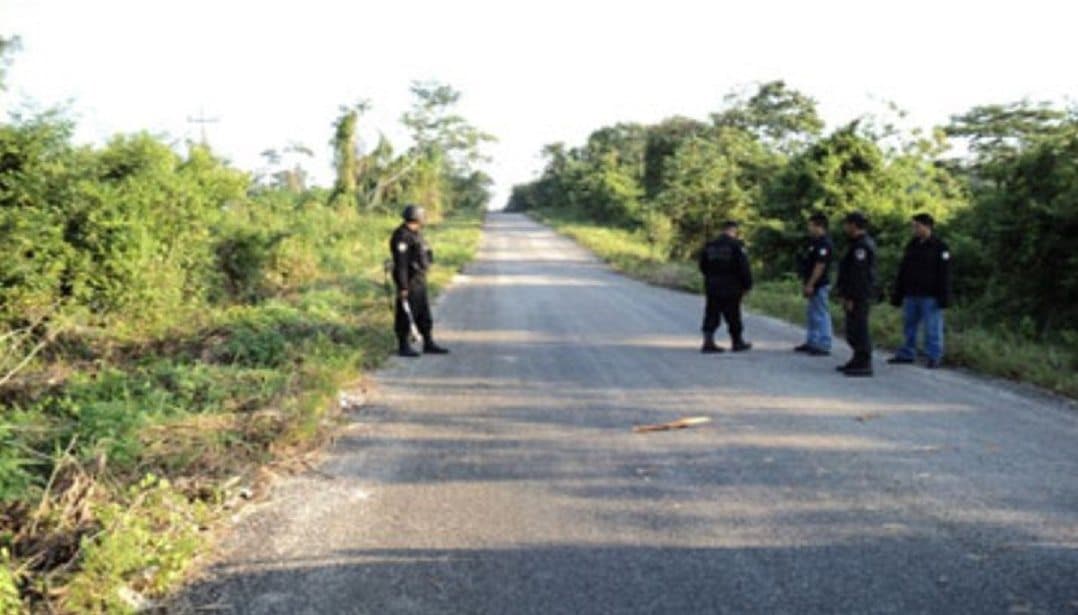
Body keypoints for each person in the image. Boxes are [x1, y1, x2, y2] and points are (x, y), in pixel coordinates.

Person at [888, 213, 952, 369]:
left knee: (932, 327)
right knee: (909, 325)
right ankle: (907, 352)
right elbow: (904, 269)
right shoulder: (912, 245)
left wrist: (944, 296)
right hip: (911, 293)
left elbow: (945, 273)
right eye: (913, 226)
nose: (914, 229)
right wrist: (898, 292)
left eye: (917, 226)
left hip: (930, 295)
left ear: (927, 226)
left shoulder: (940, 247)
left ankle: (934, 356)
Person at [389, 204, 449, 357]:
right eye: (423, 217)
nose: (424, 220)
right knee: (406, 314)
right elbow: (401, 264)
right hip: (408, 281)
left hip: (419, 280)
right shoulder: (401, 236)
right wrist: (403, 287)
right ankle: (403, 346)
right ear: (417, 218)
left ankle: (428, 343)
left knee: (423, 313)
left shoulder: (416, 234)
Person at [698, 220, 753, 354]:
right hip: (732, 285)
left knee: (711, 312)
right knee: (733, 314)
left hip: (713, 284)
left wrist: (710, 277)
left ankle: (708, 342)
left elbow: (702, 265)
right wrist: (747, 285)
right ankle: (737, 342)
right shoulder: (737, 246)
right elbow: (743, 267)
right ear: (734, 230)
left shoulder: (710, 245)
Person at [834, 212, 877, 377]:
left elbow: (859, 275)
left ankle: (864, 362)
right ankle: (856, 359)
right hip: (853, 294)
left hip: (859, 295)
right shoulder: (855, 244)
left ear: (854, 225)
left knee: (859, 328)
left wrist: (851, 296)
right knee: (852, 329)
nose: (845, 227)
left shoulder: (862, 246)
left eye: (847, 224)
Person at [794, 213, 834, 356]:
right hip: (812, 282)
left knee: (821, 314)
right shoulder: (814, 242)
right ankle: (812, 341)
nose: (808, 228)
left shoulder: (824, 243)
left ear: (819, 226)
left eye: (810, 225)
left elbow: (820, 266)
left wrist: (811, 284)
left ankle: (824, 343)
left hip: (819, 284)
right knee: (812, 314)